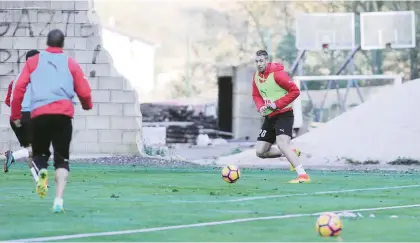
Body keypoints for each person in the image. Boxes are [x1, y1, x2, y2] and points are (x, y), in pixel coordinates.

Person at [10, 29, 93, 212]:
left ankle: (41, 170)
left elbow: (19, 90)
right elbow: (85, 92)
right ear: (62, 44)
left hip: (39, 115)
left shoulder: (33, 62)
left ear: (47, 43)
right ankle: (58, 200)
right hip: (63, 115)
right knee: (62, 160)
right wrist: (87, 105)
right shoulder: (70, 62)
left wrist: (16, 115)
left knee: (40, 154)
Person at [251, 50, 310, 183]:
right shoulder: (256, 76)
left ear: (267, 61)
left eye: (261, 61)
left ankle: (303, 175)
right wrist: (260, 107)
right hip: (269, 117)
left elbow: (295, 91)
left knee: (282, 144)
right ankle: (291, 152)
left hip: (284, 115)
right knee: (260, 152)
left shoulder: (278, 75)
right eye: (256, 61)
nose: (258, 64)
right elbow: (256, 95)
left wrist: (276, 104)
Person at [3, 50, 40, 183]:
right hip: (26, 116)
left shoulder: (17, 78)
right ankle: (12, 155)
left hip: (15, 118)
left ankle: (38, 181)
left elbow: (8, 101)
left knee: (30, 150)